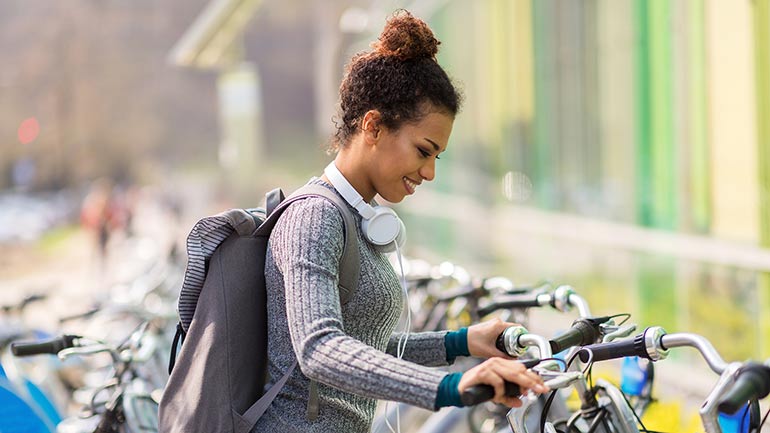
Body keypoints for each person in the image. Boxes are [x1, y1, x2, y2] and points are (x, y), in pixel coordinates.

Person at [255, 10, 548, 433]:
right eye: (424, 151)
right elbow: (319, 350)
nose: (429, 173)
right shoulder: (314, 216)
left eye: (437, 157)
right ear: (373, 126)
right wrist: (451, 385)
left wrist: (462, 342)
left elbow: (365, 347)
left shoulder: (355, 216)